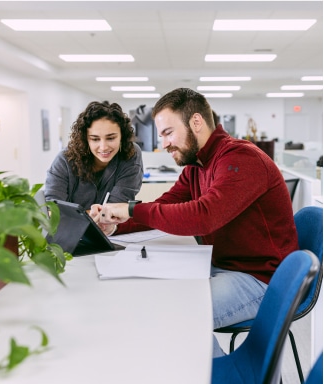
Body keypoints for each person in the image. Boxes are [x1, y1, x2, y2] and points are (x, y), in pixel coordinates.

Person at [91, 88, 299, 355]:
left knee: (178, 312)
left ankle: (225, 377)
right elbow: (166, 205)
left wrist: (130, 209)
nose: (163, 144)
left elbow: (204, 216)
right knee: (153, 295)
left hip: (262, 281)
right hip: (223, 267)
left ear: (196, 122)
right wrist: (115, 222)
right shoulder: (197, 165)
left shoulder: (241, 158)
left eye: (168, 133)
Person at [45, 101, 144, 234]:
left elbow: (114, 211)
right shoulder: (65, 159)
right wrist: (95, 216)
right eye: (95, 139)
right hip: (67, 234)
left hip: (109, 234)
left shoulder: (131, 154)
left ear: (122, 136)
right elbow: (52, 210)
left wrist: (95, 215)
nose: (103, 147)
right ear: (85, 139)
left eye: (111, 138)